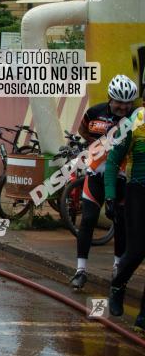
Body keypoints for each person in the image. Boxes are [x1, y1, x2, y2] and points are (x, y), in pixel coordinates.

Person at [69, 74, 137, 290]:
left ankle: (117, 269)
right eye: (119, 102)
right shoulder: (94, 112)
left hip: (122, 178)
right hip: (95, 175)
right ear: (110, 98)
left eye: (128, 102)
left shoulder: (137, 116)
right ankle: (80, 270)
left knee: (120, 223)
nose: (123, 107)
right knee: (88, 220)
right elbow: (82, 130)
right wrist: (94, 147)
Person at [103, 87, 145, 330]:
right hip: (138, 190)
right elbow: (112, 161)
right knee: (137, 249)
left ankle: (143, 316)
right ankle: (118, 286)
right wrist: (109, 196)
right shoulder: (133, 122)